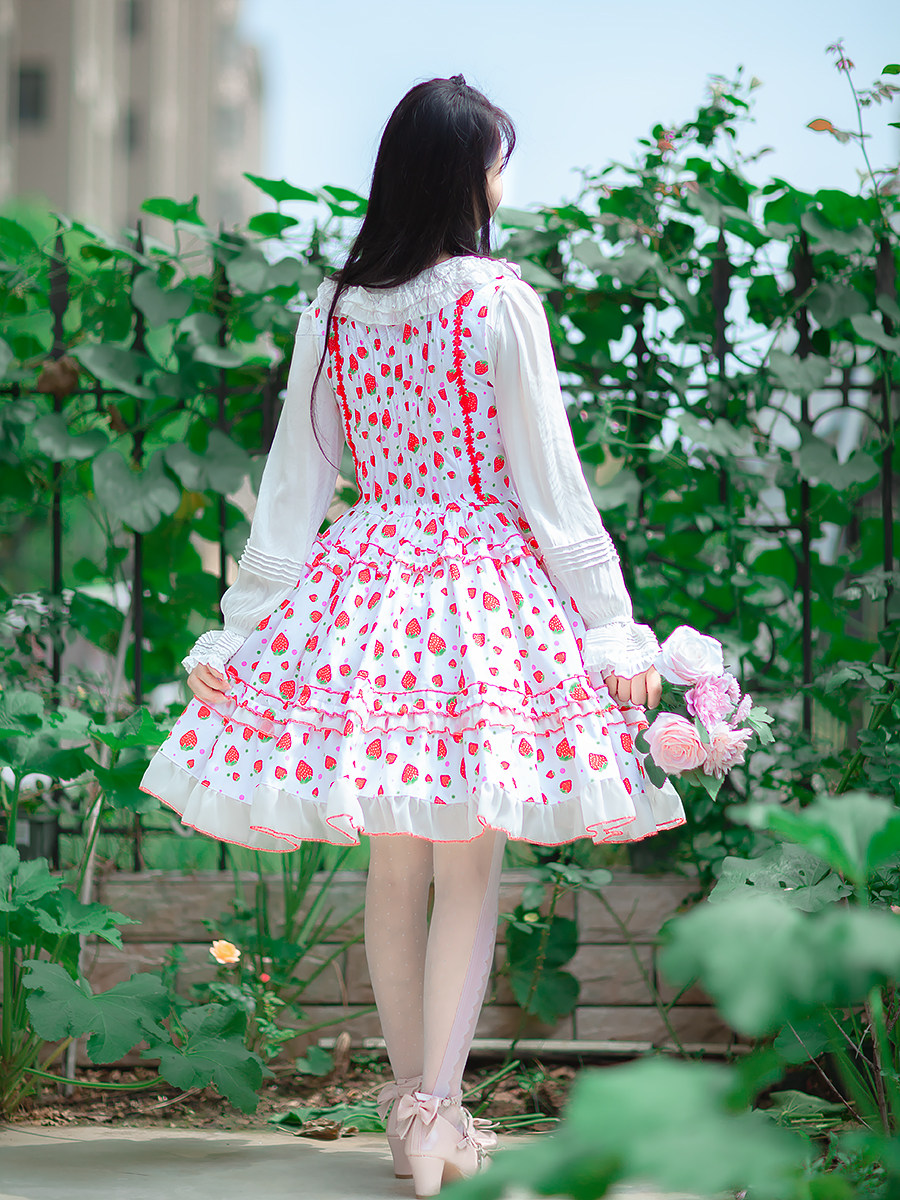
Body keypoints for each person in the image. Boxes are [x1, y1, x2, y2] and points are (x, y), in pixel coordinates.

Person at [140, 74, 685, 1197]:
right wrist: (611, 627)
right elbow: (553, 486)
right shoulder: (498, 301)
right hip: (483, 598)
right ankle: (438, 1119)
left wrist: (242, 628)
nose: (505, 179)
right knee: (466, 870)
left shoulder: (335, 308)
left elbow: (295, 487)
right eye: (499, 160)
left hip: (368, 592)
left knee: (394, 869)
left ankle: (410, 1117)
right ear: (466, 174)